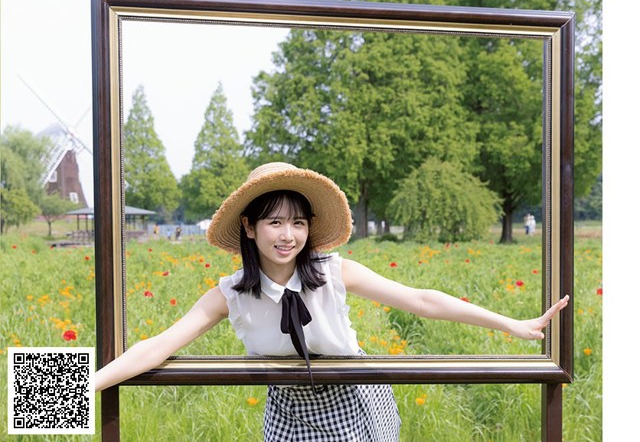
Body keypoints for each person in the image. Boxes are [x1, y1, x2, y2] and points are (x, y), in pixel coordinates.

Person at [94, 162, 569, 440]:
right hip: (289, 410)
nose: (288, 235)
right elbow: (158, 345)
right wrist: (78, 387)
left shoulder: (332, 272)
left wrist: (514, 324)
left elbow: (422, 300)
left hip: (355, 399)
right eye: (275, 223)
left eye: (298, 222)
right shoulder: (231, 294)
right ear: (249, 227)